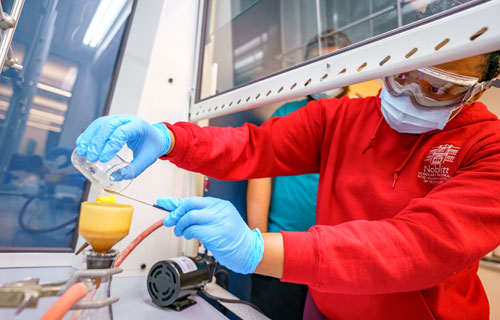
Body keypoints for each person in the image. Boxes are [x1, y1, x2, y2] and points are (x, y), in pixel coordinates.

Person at [76, 49, 500, 319]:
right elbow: (253, 146)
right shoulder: (343, 118)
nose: (410, 95)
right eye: (402, 75)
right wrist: (170, 138)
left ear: (477, 91)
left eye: (438, 88)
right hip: (327, 306)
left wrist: (256, 249)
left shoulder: (488, 147)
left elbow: (418, 246)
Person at [246, 30, 381, 319]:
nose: (325, 73)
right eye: (317, 65)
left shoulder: (364, 116)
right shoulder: (287, 114)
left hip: (338, 259)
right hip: (281, 252)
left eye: (332, 64)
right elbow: (259, 173)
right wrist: (258, 243)